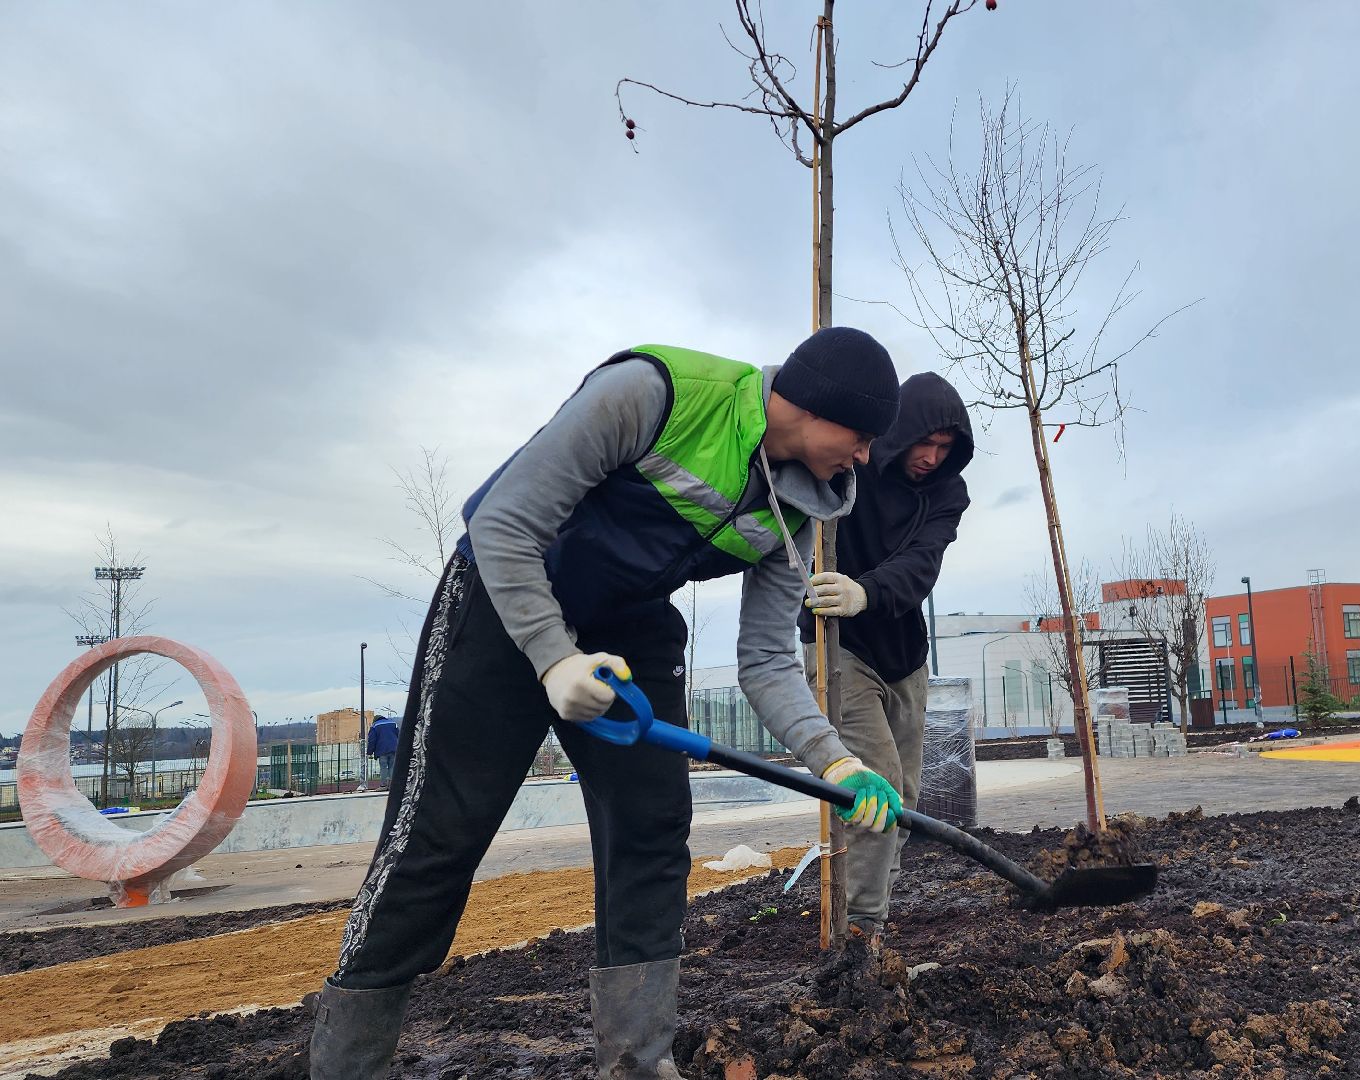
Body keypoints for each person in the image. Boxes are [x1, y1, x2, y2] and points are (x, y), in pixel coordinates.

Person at [307, 329, 909, 1080]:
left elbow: (763, 658)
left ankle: (637, 1064)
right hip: (503, 602)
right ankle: (350, 1066)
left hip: (628, 625)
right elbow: (503, 522)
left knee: (652, 831)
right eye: (859, 437)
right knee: (439, 836)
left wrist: (838, 760)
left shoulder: (808, 507)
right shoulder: (653, 394)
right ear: (812, 406)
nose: (862, 458)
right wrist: (553, 657)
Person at [798, 372, 972, 941]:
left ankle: (870, 904)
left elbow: (923, 564)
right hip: (838, 645)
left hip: (903, 653)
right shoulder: (852, 465)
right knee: (877, 787)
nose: (931, 457)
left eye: (946, 448)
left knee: (906, 798)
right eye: (925, 442)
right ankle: (860, 932)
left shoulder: (947, 494)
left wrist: (866, 592)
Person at [362, 715, 399, 789]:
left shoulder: (375, 726)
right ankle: (392, 785)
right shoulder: (393, 723)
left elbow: (372, 740)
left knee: (383, 767)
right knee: (392, 767)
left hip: (382, 750)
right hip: (394, 749)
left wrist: (369, 752)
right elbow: (399, 735)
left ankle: (383, 785)